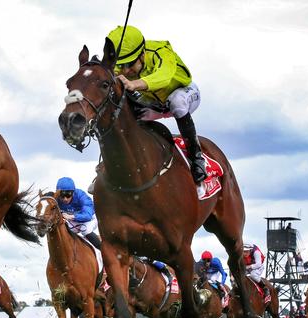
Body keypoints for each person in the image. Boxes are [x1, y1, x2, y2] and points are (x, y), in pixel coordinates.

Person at [107, 25, 207, 197]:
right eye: (121, 66)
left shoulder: (161, 52)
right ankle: (109, 166)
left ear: (142, 54)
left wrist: (134, 84)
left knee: (176, 102)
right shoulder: (125, 65)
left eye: (130, 65)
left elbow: (163, 76)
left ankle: (196, 159)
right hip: (154, 104)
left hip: (185, 94)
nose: (126, 71)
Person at [55, 177, 101, 249]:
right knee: (62, 231)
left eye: (68, 195)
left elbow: (88, 216)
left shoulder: (81, 196)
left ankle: (101, 250)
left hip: (90, 219)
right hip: (74, 222)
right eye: (62, 195)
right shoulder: (56, 199)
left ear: (73, 192)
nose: (65, 199)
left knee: (85, 230)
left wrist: (72, 216)